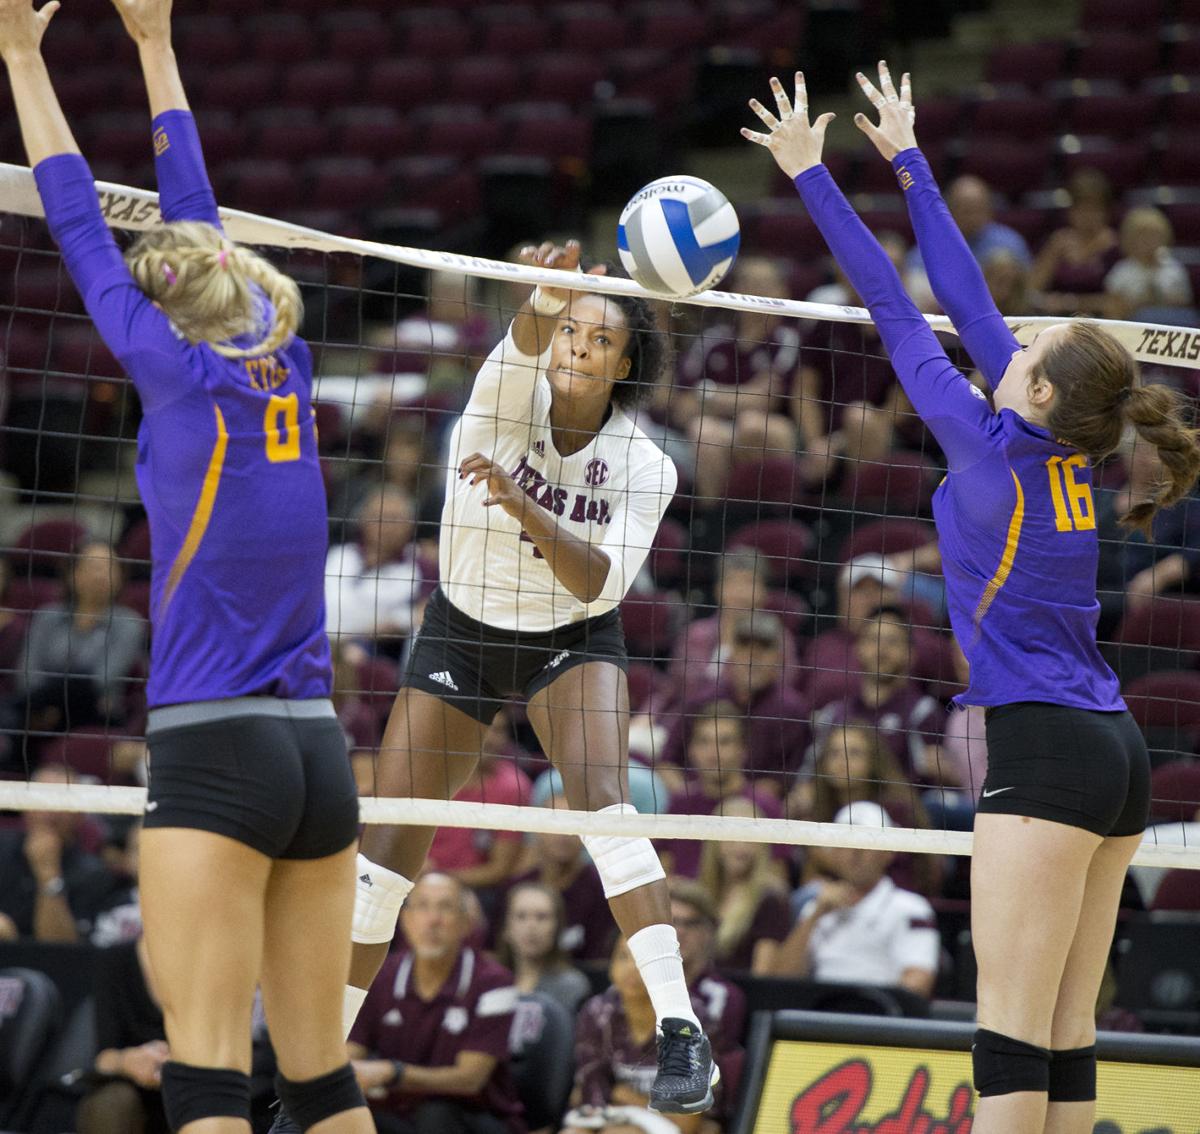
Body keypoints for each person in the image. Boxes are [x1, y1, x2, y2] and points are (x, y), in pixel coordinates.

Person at [742, 60, 1200, 1132]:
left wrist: (811, 173)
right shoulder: (1067, 440)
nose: (1016, 335)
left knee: (1008, 1033)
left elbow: (897, 306)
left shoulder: (988, 451)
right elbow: (968, 300)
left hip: (1043, 750)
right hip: (1114, 752)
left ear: (1034, 387)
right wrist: (908, 157)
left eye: (1031, 345)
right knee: (1068, 1030)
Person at [0, 2, 374, 1130]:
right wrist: (157, 47)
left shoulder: (170, 370)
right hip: (316, 754)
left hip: (217, 750)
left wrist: (19, 54)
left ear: (166, 305)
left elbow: (74, 214)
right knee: (321, 1083)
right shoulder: (281, 357)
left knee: (204, 1076)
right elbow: (198, 216)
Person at [339, 239, 717, 1117]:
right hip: (463, 628)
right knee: (387, 847)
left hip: (569, 634)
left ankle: (680, 1026)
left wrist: (523, 506)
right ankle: (317, 1065)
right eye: (572, 330)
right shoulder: (507, 393)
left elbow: (598, 586)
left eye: (601, 337)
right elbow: (525, 335)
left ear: (626, 364)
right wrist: (545, 299)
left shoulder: (646, 464)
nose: (580, 345)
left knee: (605, 807)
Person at [347, 874, 526, 1134]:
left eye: (445, 907)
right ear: (405, 919)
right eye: (422, 906)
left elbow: (469, 1079)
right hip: (398, 1114)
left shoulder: (495, 982)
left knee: (436, 1114)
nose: (433, 920)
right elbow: (351, 1056)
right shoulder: (380, 975)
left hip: (476, 1117)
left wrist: (391, 1072)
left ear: (466, 923)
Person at [771, 802, 939, 999]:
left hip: (879, 1012)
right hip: (820, 1010)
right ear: (833, 853)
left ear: (888, 852)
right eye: (846, 843)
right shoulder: (816, 906)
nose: (854, 853)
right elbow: (782, 981)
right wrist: (815, 915)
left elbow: (917, 984)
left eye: (865, 843)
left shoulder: (911, 909)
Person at [563, 937, 719, 1134]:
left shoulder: (689, 1018)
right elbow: (591, 1099)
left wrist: (624, 1095)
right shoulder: (597, 1013)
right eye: (623, 957)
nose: (631, 967)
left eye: (643, 960)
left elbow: (688, 1122)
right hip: (618, 1118)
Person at [660, 613, 810, 799]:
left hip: (759, 807)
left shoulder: (792, 710)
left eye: (763, 648)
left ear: (779, 657)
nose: (753, 657)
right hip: (695, 800)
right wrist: (691, 799)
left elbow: (784, 781)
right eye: (745, 646)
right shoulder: (702, 700)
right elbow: (667, 763)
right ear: (731, 653)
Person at [6, 539, 144, 740]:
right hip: (36, 712)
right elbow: (27, 671)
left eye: (110, 567)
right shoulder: (46, 616)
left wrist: (51, 700)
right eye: (94, 566)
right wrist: (42, 705)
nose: (101, 575)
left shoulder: (130, 623)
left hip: (97, 716)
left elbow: (102, 679)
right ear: (72, 573)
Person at [810, 605, 945, 784]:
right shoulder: (834, 714)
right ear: (858, 648)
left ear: (911, 653)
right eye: (873, 639)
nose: (881, 649)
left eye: (892, 641)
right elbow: (809, 776)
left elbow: (927, 784)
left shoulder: (922, 713)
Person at [659, 699, 783, 879]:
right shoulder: (679, 804)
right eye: (704, 741)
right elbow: (663, 873)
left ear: (742, 749)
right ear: (691, 749)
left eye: (724, 742)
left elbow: (776, 883)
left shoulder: (765, 806)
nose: (713, 753)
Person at [0, 764, 122, 942]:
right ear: (24, 805)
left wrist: (49, 876)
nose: (50, 812)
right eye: (41, 799)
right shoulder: (2, 846)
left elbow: (63, 948)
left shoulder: (95, 875)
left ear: (80, 813)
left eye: (61, 801)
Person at [695, 798, 791, 974]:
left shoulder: (771, 899)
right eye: (731, 837)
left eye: (748, 838)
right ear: (715, 841)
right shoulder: (699, 892)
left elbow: (762, 975)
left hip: (742, 990)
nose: (740, 847)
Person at [325, 485, 425, 646]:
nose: (385, 526)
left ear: (411, 525)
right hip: (323, 644)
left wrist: (396, 623)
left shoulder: (420, 564)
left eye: (394, 519)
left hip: (378, 649)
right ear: (363, 519)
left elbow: (424, 614)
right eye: (378, 517)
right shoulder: (339, 555)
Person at [1028, 169, 1118, 319]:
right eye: (1081, 209)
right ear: (1070, 211)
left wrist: (1072, 303)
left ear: (1106, 212)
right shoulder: (1058, 241)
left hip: (1102, 319)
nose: (1087, 216)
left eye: (1094, 209)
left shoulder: (1116, 246)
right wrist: (1047, 301)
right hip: (1057, 319)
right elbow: (1031, 289)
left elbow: (1120, 301)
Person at [495, 880, 592, 1016]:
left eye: (542, 917)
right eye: (521, 916)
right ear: (506, 928)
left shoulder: (572, 986)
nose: (531, 926)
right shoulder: (490, 983)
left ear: (557, 927)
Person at [1104, 206, 1194, 322]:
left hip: (1172, 322)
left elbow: (1185, 303)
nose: (1148, 241)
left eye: (1154, 235)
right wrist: (1139, 302)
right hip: (1136, 323)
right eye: (1142, 235)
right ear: (1130, 239)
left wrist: (1161, 298)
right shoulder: (1122, 270)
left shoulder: (1173, 267)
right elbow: (1113, 310)